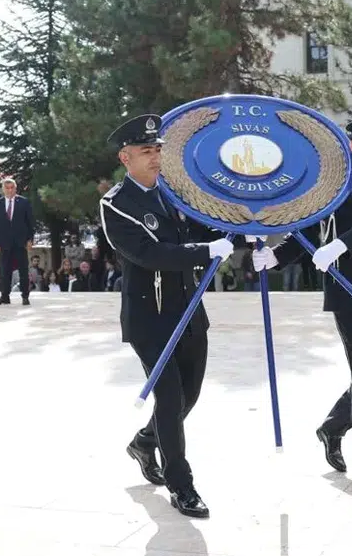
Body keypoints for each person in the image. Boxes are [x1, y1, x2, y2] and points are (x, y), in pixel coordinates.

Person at [254, 116, 352, 496]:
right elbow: (308, 229)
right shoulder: (333, 187)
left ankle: (333, 426)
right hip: (347, 294)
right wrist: (276, 256)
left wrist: (340, 245)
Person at [98, 114, 233, 518]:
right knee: (171, 399)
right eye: (146, 151)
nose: (155, 157)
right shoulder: (116, 206)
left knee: (189, 395)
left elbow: (206, 227)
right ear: (125, 157)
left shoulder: (175, 193)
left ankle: (145, 441)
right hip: (151, 318)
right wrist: (204, 252)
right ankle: (181, 485)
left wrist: (245, 232)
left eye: (157, 149)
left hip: (189, 311)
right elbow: (150, 254)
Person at [0, 177, 34, 305]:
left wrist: (30, 239)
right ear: (3, 189)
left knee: (23, 271)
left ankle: (25, 296)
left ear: (15, 188)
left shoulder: (24, 202)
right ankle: (5, 296)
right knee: (4, 271)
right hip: (4, 244)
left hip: (21, 243)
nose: (10, 190)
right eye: (7, 188)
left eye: (12, 188)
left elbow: (30, 222)